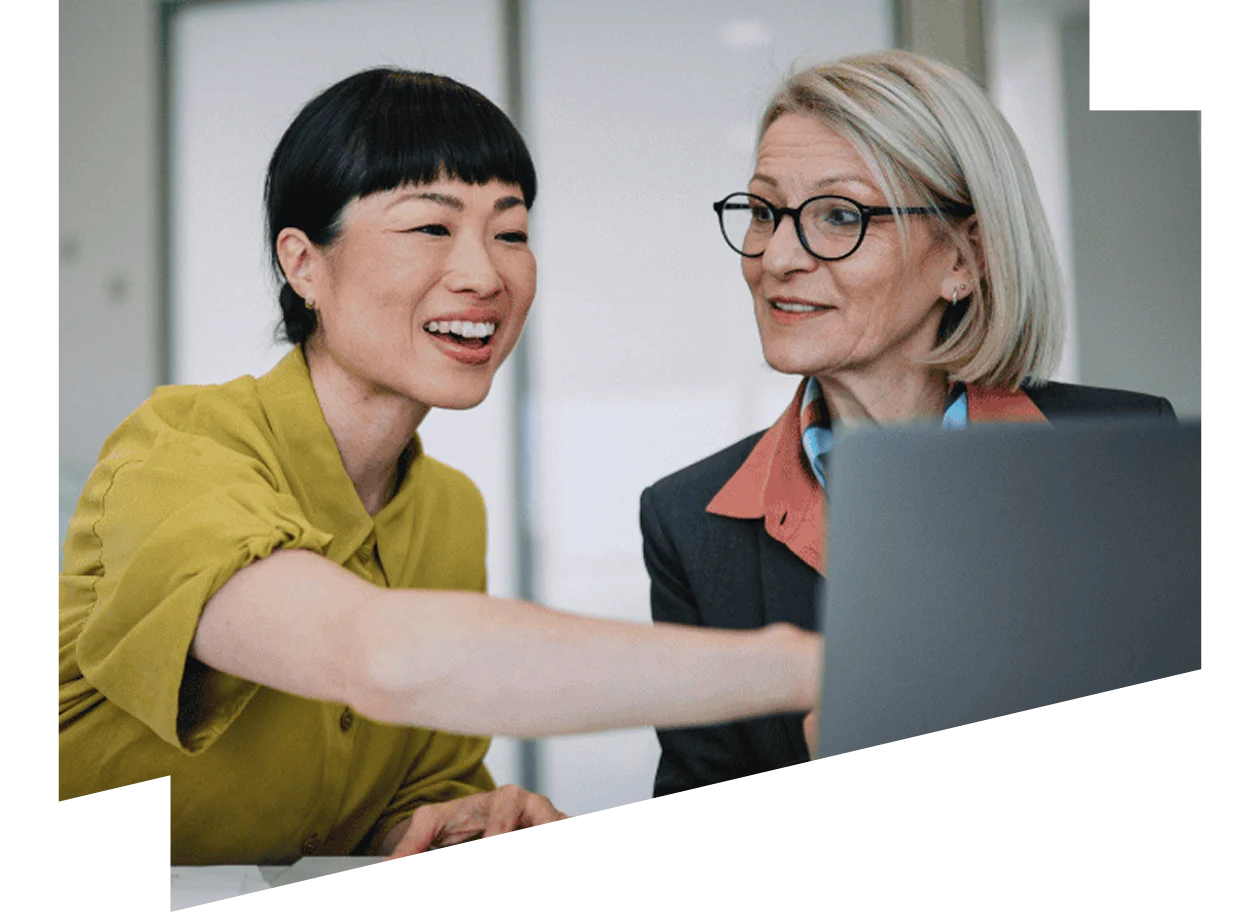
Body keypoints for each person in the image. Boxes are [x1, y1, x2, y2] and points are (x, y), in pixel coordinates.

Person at [56, 68, 821, 865]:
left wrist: (449, 818)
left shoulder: (449, 510)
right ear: (303, 263)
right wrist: (807, 667)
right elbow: (377, 656)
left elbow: (396, 796)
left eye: (511, 233)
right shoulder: (178, 451)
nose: (484, 276)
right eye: (430, 227)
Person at [641, 50, 1177, 801]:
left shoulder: (1128, 456)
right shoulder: (689, 522)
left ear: (964, 257)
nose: (777, 257)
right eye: (763, 212)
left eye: (840, 215)